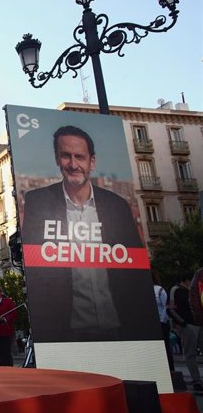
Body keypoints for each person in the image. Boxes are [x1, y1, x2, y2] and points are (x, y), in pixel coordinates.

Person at [21, 125, 158, 342]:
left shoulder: (117, 206)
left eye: (80, 157)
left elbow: (134, 270)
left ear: (91, 161)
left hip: (121, 328)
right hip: (64, 330)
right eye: (66, 156)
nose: (73, 164)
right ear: (57, 159)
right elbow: (37, 267)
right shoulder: (38, 202)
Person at [169, 273, 203, 392]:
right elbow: (171, 308)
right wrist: (182, 323)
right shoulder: (176, 290)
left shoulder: (194, 290)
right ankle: (196, 380)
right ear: (186, 280)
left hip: (198, 323)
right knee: (190, 354)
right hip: (188, 325)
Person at [0, 283, 17, 367]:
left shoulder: (8, 301)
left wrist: (4, 318)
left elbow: (13, 313)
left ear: (0, 292)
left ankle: (8, 367)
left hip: (6, 331)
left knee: (6, 351)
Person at [152, 272, 174, 372]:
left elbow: (166, 306)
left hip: (161, 322)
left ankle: (170, 369)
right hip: (150, 323)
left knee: (165, 347)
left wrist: (162, 321)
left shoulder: (159, 290)